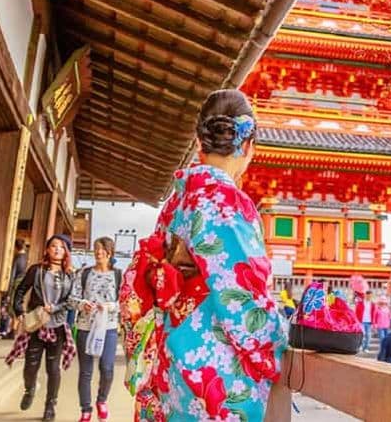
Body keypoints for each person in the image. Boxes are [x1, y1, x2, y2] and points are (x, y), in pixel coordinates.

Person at [119, 89, 287, 422]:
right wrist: (283, 336)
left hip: (172, 362)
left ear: (200, 142)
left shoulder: (176, 204)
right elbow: (242, 303)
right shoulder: (226, 203)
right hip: (212, 372)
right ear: (248, 144)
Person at [8, 234, 76, 421]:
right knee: (30, 366)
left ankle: (50, 406)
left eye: (61, 247)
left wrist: (56, 308)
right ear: (47, 249)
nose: (57, 250)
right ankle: (30, 389)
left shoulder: (70, 274)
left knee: (53, 369)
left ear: (66, 252)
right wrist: (19, 310)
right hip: (37, 324)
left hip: (58, 327)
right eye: (53, 246)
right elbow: (20, 290)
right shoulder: (36, 270)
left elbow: (71, 301)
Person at [69, 237, 121, 422]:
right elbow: (71, 299)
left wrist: (110, 306)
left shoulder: (118, 275)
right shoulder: (83, 273)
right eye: (96, 249)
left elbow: (125, 302)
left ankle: (102, 400)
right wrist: (83, 304)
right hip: (85, 327)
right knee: (86, 371)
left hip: (108, 328)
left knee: (107, 368)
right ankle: (86, 409)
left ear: (110, 253)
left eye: (103, 250)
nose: (99, 253)